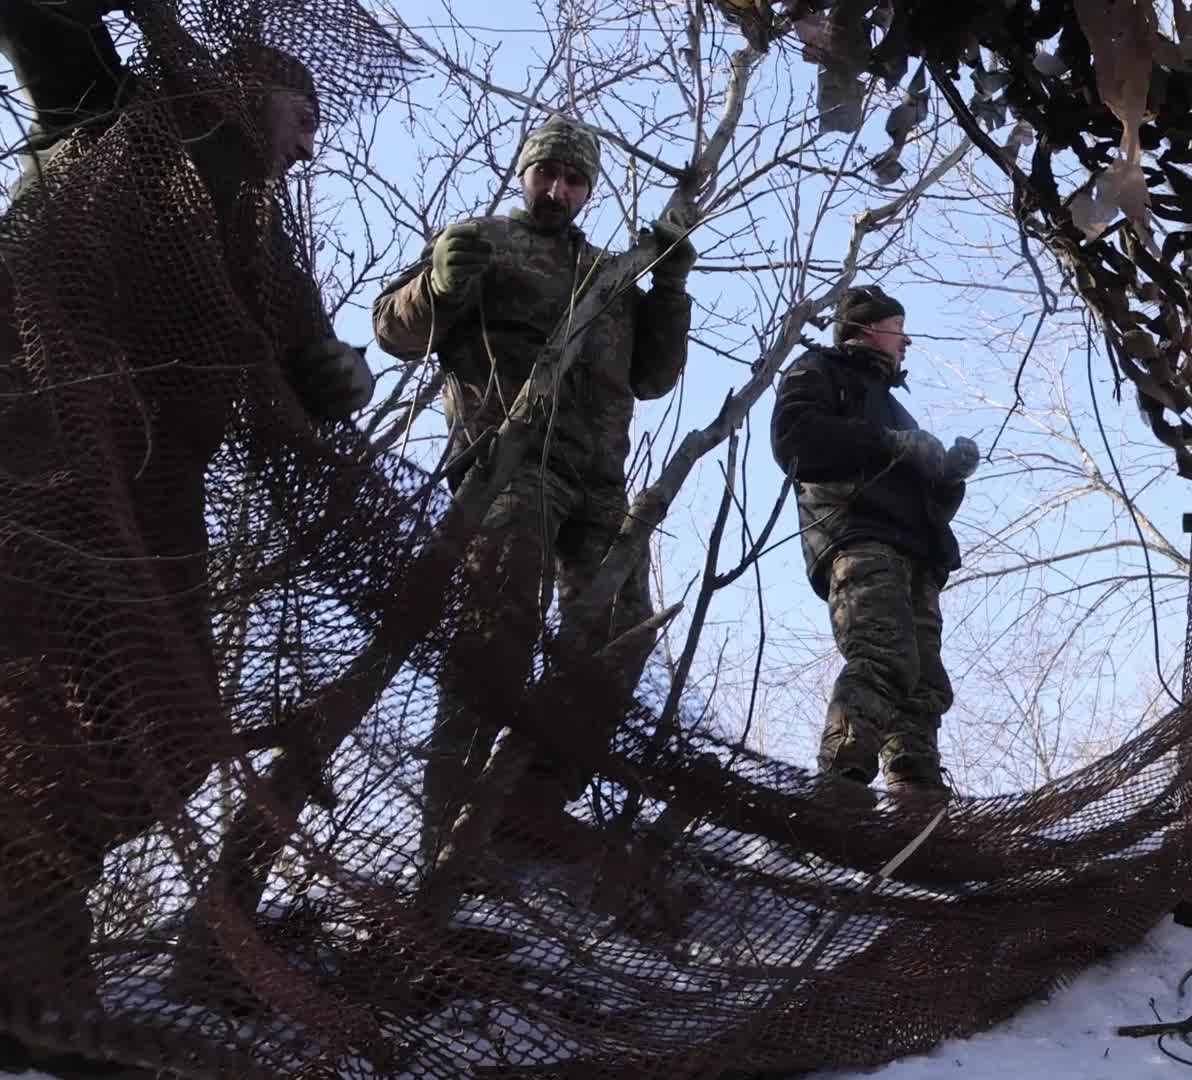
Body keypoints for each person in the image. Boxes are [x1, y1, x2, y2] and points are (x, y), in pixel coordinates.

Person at [0, 1, 372, 1013]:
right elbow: (46, 27)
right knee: (44, 724)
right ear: (253, 89)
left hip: (150, 509)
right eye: (306, 115)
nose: (312, 143)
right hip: (40, 476)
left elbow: (305, 359)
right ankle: (36, 988)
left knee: (158, 735)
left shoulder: (258, 230)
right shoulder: (127, 117)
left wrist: (333, 377)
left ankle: (43, 967)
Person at [371, 116, 697, 864]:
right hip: (511, 466)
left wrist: (669, 283)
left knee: (622, 635)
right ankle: (449, 835)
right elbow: (394, 331)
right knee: (498, 629)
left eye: (575, 178)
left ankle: (527, 808)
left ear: (588, 190)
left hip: (601, 487)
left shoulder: (608, 275)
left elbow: (652, 376)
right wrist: (439, 282)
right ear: (524, 172)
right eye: (547, 171)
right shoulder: (484, 239)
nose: (558, 188)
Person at [769, 285, 977, 807]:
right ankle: (838, 787)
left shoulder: (895, 409)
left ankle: (916, 795)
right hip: (859, 538)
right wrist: (888, 445)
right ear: (866, 329)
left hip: (917, 556)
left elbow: (929, 504)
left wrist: (950, 478)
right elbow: (795, 440)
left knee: (925, 681)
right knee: (884, 657)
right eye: (897, 327)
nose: (906, 341)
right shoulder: (817, 372)